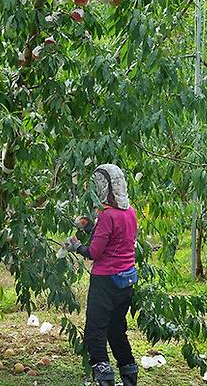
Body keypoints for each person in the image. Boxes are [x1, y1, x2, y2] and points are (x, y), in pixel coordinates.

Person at [65, 164, 139, 386]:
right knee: (117, 330)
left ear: (104, 187)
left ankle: (105, 380)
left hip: (105, 281)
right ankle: (129, 378)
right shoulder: (129, 211)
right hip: (126, 280)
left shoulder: (108, 216)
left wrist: (76, 246)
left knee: (94, 333)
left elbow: (94, 252)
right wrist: (89, 227)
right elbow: (116, 238)